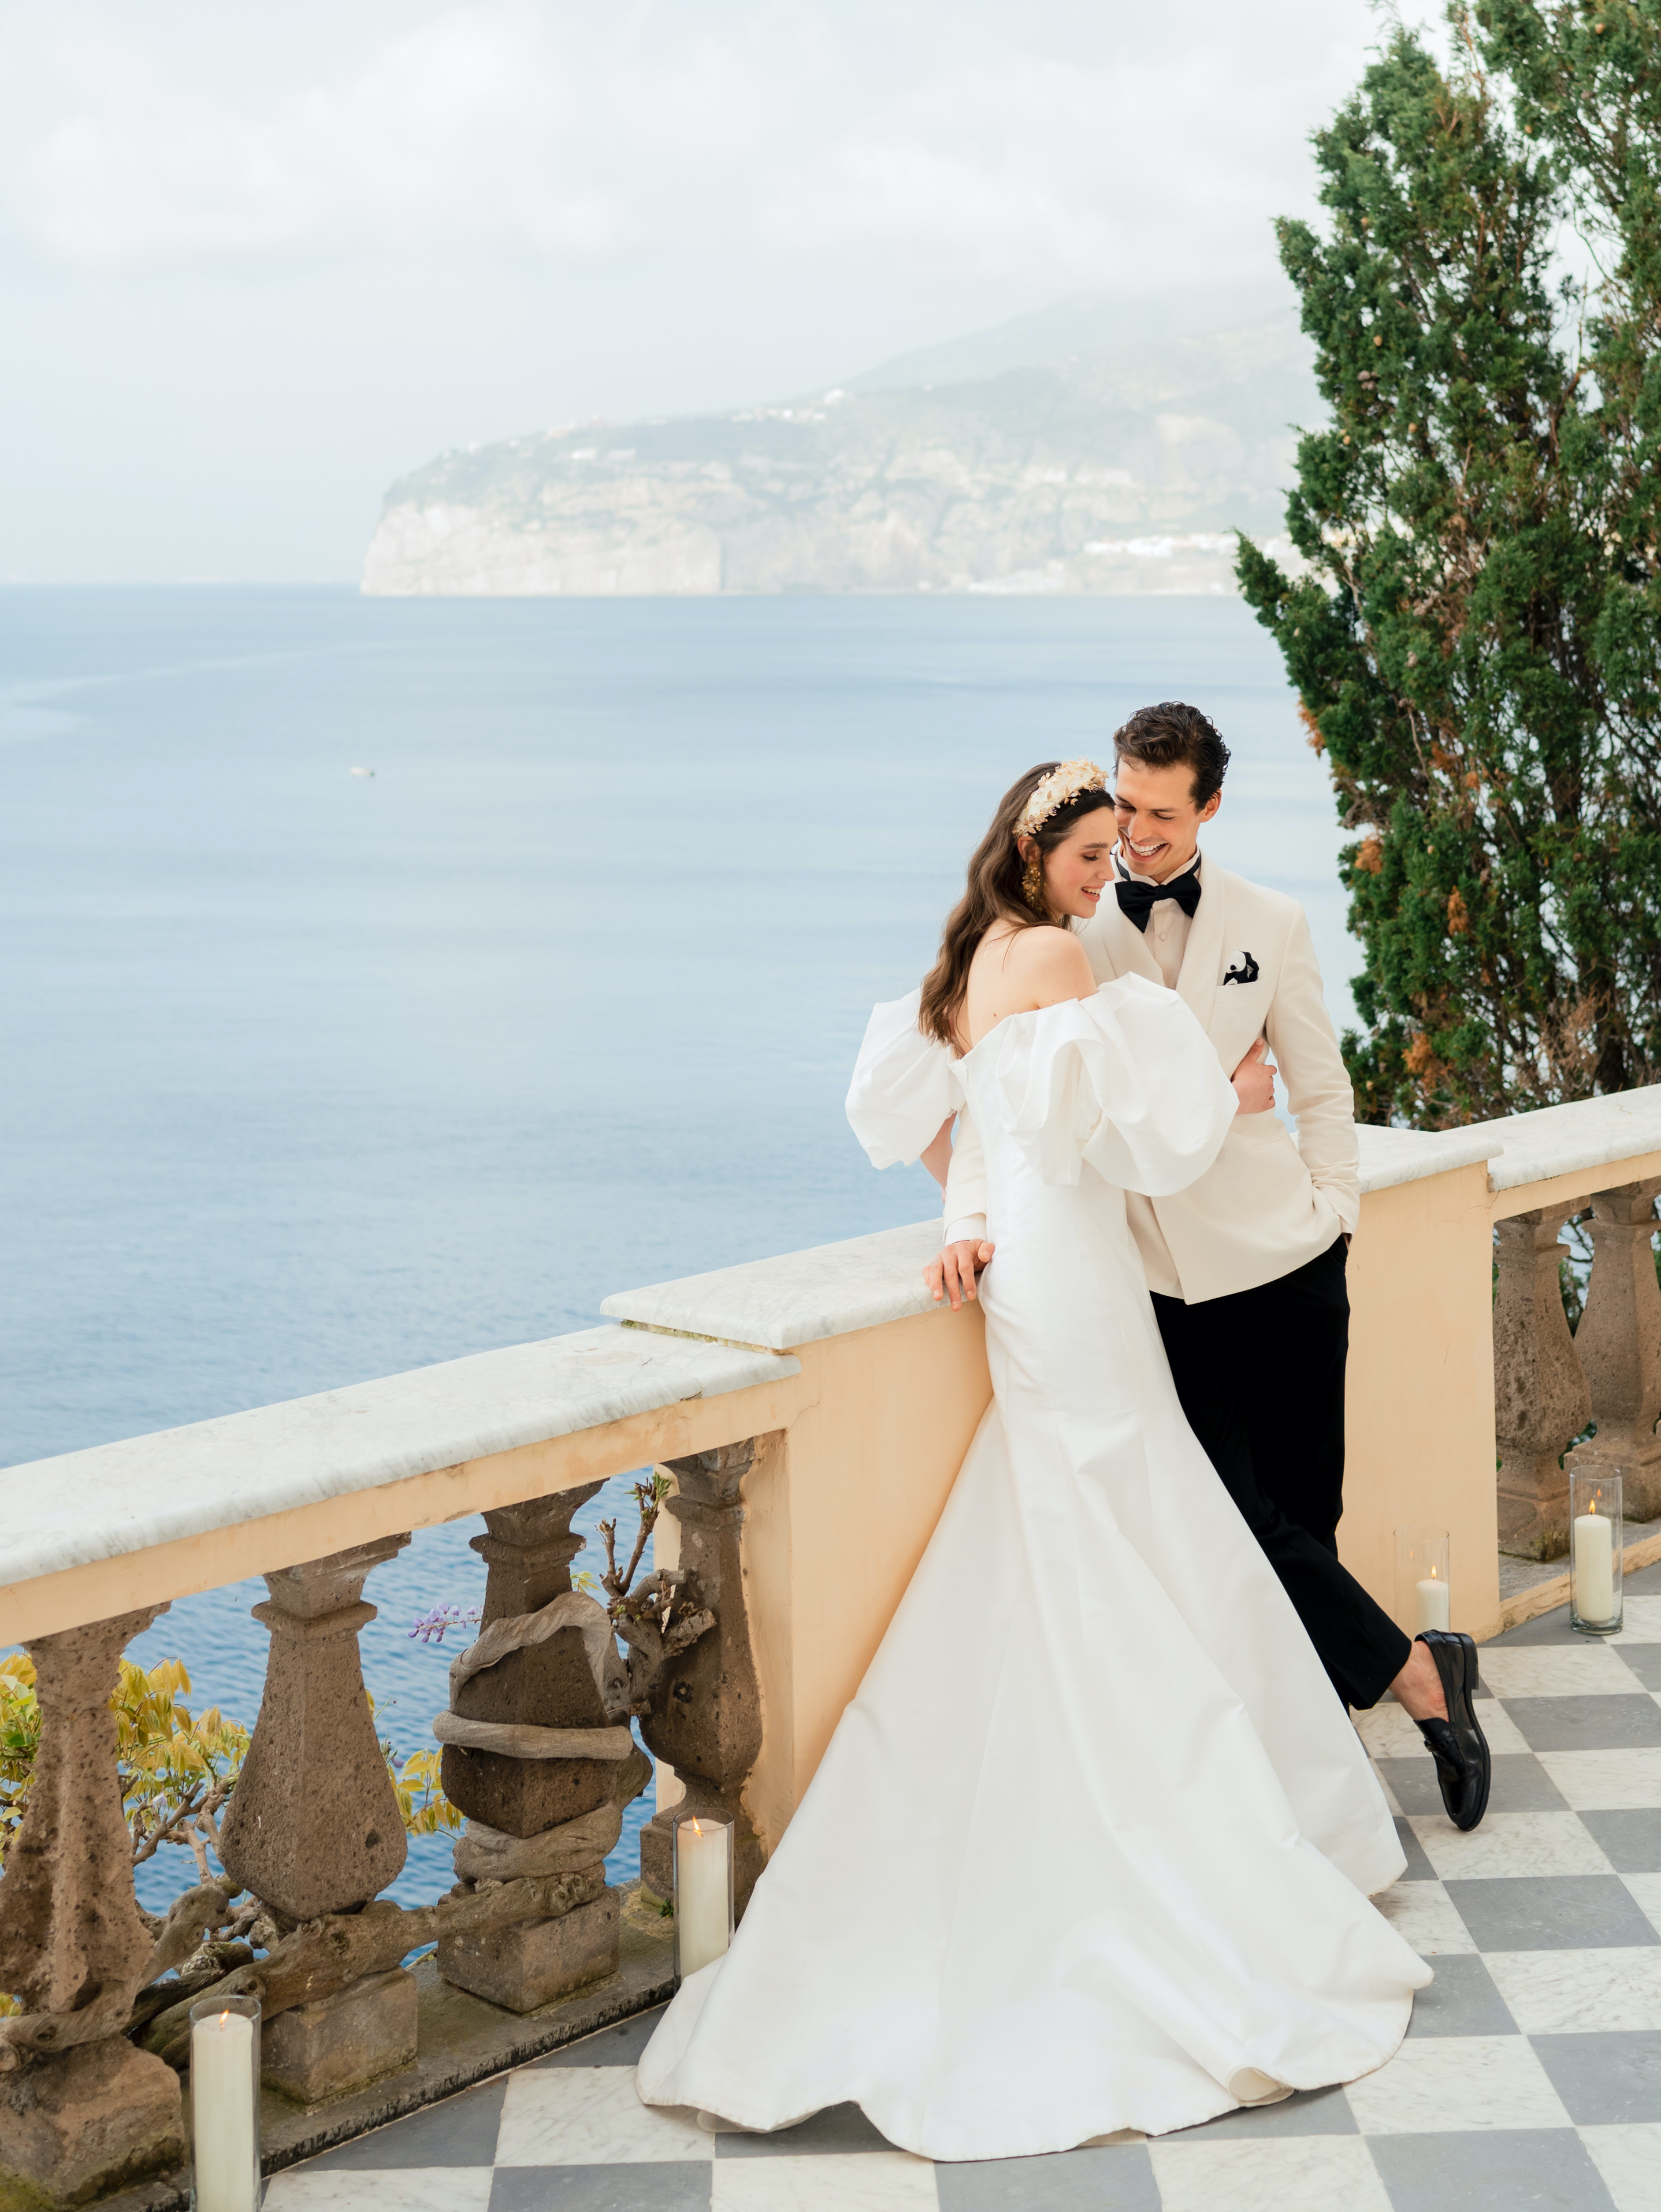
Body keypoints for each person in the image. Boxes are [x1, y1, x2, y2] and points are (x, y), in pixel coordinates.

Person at [636, 758, 1431, 2161]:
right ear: (1037, 846)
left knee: (1085, 1511)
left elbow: (948, 1123)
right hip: (1074, 1277)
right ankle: (1174, 1840)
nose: (1106, 868)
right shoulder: (1060, 954)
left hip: (1027, 1281)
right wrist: (1234, 1089)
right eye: (1088, 849)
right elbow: (1144, 1140)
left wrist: (969, 1216)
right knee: (1118, 1512)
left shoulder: (965, 966)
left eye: (1118, 846)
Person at [935, 707, 1489, 1834]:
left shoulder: (1270, 922)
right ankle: (1426, 1682)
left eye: (1156, 813)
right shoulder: (1066, 926)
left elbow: (1320, 1086)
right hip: (1153, 1286)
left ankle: (1321, 1764)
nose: (1133, 837)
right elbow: (983, 1099)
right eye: (1121, 810)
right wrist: (970, 1214)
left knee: (1306, 1511)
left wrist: (1333, 1212)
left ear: (1207, 810)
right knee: (1234, 1520)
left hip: (1285, 1259)